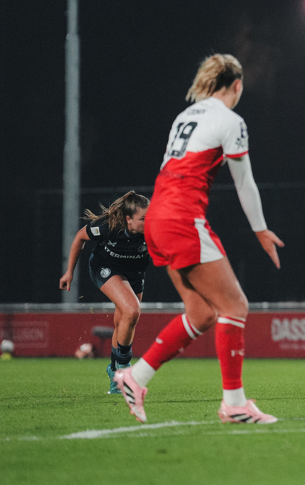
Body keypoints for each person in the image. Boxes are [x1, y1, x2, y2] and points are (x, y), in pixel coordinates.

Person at [113, 54, 284, 424]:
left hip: (157, 214)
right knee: (235, 307)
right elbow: (245, 182)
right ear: (237, 85)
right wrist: (260, 229)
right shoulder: (231, 121)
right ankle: (234, 404)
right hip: (181, 217)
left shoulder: (185, 116)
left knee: (203, 312)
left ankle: (134, 376)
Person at [59, 191, 150, 394]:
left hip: (134, 273)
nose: (149, 222)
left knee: (124, 320)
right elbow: (79, 238)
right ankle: (125, 370)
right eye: (143, 219)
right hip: (105, 267)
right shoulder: (109, 226)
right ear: (128, 219)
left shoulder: (155, 228)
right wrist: (69, 272)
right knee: (132, 310)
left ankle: (114, 372)